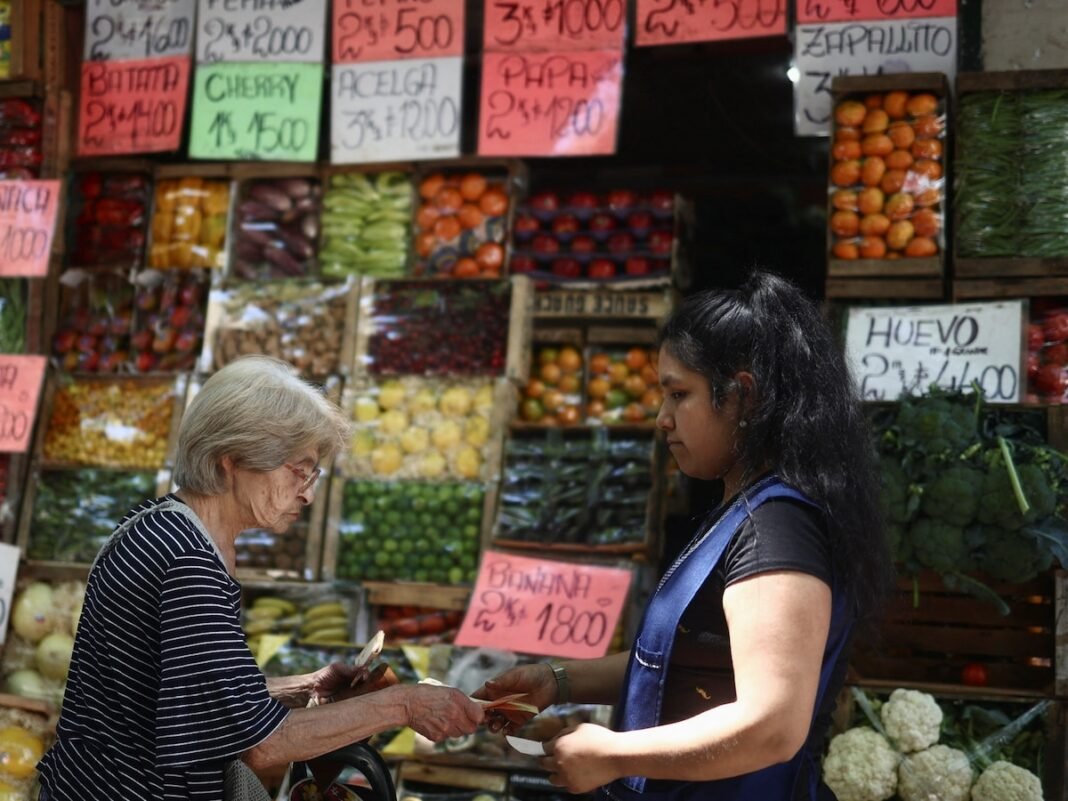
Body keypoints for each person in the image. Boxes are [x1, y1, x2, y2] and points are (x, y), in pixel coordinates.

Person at [476, 271, 889, 800]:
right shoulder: (744, 509)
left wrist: (613, 754)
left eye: (679, 394)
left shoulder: (777, 531)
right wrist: (559, 680)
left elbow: (774, 725)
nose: (661, 418)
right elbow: (694, 655)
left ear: (743, 396)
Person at [36, 356, 484, 801]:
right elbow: (258, 744)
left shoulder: (162, 523)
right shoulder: (187, 561)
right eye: (298, 470)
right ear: (232, 459)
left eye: (314, 473)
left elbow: (186, 692)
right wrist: (402, 705)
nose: (308, 493)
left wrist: (300, 687)